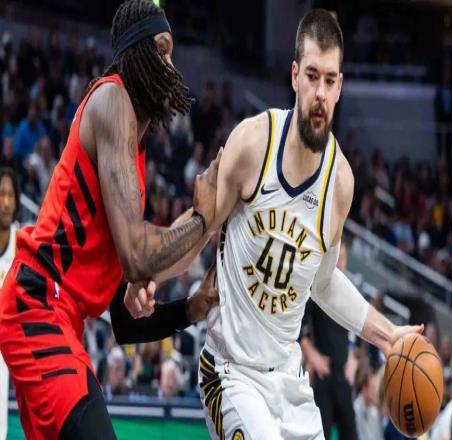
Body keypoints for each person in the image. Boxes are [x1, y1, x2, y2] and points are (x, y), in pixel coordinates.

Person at [126, 9, 423, 439]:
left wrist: (389, 335)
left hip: (289, 380)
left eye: (330, 81)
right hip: (231, 372)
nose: (320, 93)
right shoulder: (255, 142)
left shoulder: (340, 182)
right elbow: (199, 230)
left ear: (340, 87)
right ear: (295, 76)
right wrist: (148, 274)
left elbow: (323, 283)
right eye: (312, 76)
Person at [0, 1, 220, 439]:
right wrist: (203, 219)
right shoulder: (113, 100)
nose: (171, 66)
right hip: (38, 303)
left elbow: (123, 319)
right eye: (162, 50)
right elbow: (140, 255)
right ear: (136, 52)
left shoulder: (131, 147)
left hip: (61, 318)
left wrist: (189, 308)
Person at [300, 242, 358, 440]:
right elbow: (299, 328)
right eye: (338, 258)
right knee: (321, 434)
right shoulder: (317, 289)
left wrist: (353, 358)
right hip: (323, 374)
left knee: (351, 435)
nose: (341, 263)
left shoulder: (350, 292)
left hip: (343, 376)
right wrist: (312, 356)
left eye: (344, 259)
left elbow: (357, 333)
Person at [0, 167, 20, 440]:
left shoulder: (21, 242)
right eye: (0, 194)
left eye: (10, 195)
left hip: (10, 345)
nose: (5, 202)